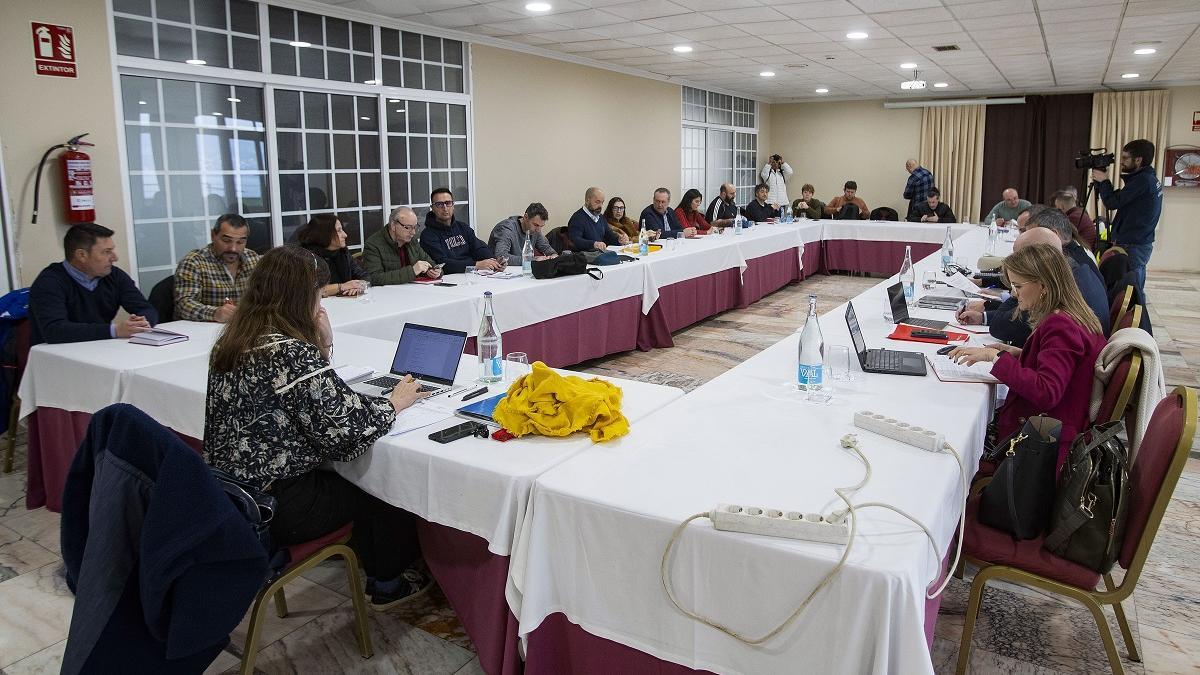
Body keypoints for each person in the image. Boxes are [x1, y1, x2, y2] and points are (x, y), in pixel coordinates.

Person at [203, 245, 432, 608]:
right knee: (385, 485)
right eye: (316, 293)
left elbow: (311, 406)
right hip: (280, 506)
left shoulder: (233, 342)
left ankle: (373, 567)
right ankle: (387, 581)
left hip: (233, 494)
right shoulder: (290, 351)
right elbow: (347, 433)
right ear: (300, 297)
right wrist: (394, 402)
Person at [950, 242, 1107, 471]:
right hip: (1051, 430)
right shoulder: (1073, 315)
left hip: (1042, 447)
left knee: (957, 438)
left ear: (1043, 285)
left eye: (1018, 286)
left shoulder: (1060, 325)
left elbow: (1047, 392)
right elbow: (1064, 366)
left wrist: (996, 358)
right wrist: (1020, 354)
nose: (1013, 293)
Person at [30, 223, 158, 345]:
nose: (114, 257)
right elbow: (54, 330)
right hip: (58, 356)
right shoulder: (49, 282)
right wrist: (115, 330)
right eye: (106, 252)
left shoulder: (114, 275)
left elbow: (146, 308)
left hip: (100, 348)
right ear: (82, 255)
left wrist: (142, 323)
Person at [1093, 139, 1163, 293]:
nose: (1122, 162)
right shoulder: (1148, 178)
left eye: (1125, 158)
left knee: (1131, 289)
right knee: (1135, 284)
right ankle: (1136, 313)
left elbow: (1112, 202)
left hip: (1133, 243)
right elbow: (1123, 198)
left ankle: (1135, 315)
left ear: (1138, 160)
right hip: (1139, 241)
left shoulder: (1143, 181)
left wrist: (1104, 181)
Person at [1027, 209, 1110, 333]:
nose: (1028, 249)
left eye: (1031, 238)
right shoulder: (1076, 254)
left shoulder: (1066, 266)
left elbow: (1012, 323)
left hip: (1077, 339)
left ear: (1053, 235)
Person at [175, 214, 260, 323]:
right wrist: (214, 313)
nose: (233, 248)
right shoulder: (194, 262)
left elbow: (268, 295)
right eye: (226, 240)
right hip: (203, 331)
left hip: (244, 328)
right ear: (213, 235)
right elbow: (184, 305)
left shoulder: (253, 259)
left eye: (240, 242)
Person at [419, 187, 503, 274]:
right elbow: (442, 263)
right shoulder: (428, 236)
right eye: (439, 204)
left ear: (453, 205)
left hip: (472, 275)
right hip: (449, 278)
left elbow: (478, 248)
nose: (445, 208)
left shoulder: (463, 227)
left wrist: (494, 262)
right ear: (432, 208)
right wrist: (476, 265)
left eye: (448, 203)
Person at [363, 207, 443, 285]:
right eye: (408, 227)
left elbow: (431, 263)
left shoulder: (412, 241)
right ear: (393, 226)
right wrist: (412, 271)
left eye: (415, 227)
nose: (413, 232)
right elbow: (374, 278)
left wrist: (434, 272)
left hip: (412, 291)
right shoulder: (373, 245)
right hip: (387, 295)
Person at [296, 214, 368, 298]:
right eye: (339, 230)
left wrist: (358, 287)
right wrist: (342, 287)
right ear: (325, 234)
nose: (345, 235)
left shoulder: (342, 252)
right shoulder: (306, 257)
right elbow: (309, 289)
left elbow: (364, 275)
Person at [489, 203, 557, 266]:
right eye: (536, 225)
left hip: (522, 272)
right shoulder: (506, 228)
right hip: (499, 274)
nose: (538, 230)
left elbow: (548, 249)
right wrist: (532, 260)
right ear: (526, 217)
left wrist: (553, 256)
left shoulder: (535, 231)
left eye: (541, 226)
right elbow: (501, 257)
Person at [569, 187, 624, 251]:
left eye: (602, 202)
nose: (600, 206)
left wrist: (619, 240)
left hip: (600, 255)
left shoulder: (600, 217)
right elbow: (575, 240)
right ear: (587, 200)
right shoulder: (577, 218)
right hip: (585, 257)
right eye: (597, 202)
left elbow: (609, 235)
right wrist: (594, 244)